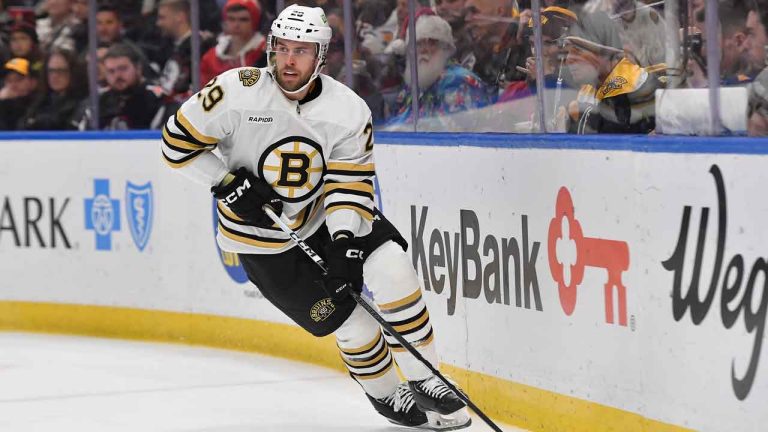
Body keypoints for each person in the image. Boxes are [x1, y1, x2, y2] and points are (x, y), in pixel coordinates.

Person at [160, 5, 471, 430]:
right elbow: (175, 144)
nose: (289, 60)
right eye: (282, 48)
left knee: (394, 270)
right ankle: (386, 396)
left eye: (301, 51)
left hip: (325, 215)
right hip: (261, 243)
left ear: (321, 56)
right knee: (357, 325)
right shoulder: (235, 91)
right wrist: (225, 181)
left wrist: (344, 242)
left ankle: (425, 376)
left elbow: (348, 186)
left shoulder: (348, 109)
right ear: (270, 48)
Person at [387, 15, 491, 129]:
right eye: (418, 43)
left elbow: (452, 132)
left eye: (432, 42)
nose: (424, 49)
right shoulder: (414, 84)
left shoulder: (459, 82)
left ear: (446, 48)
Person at [564, 10, 659, 134]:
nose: (568, 60)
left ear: (606, 53)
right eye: (568, 52)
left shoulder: (638, 87)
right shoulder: (589, 88)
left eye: (578, 51)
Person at [86, 42, 162, 130]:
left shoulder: (157, 98)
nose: (117, 76)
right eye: (111, 71)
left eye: (122, 68)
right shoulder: (100, 101)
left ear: (138, 68)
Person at [200, 0, 267, 85]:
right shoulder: (210, 58)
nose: (236, 25)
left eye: (243, 20)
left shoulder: (264, 53)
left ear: (255, 21)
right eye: (231, 19)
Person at [19, 47, 86, 130]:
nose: (54, 76)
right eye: (51, 71)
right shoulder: (39, 101)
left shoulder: (82, 103)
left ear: (73, 72)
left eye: (61, 71)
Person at [0, 57, 39, 130]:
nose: (13, 85)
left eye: (18, 79)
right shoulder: (3, 103)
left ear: (33, 82)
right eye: (8, 80)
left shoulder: (40, 106)